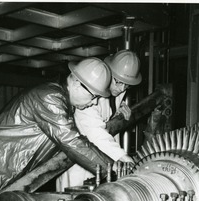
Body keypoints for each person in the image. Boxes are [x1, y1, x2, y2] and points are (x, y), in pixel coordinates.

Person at [0, 57, 113, 201]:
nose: (95, 103)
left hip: (10, 156)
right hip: (1, 157)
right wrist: (111, 169)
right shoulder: (50, 98)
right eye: (94, 96)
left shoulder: (60, 97)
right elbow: (72, 141)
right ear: (77, 84)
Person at [56, 50, 142, 192]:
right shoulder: (88, 95)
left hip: (103, 159)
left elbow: (107, 109)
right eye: (118, 82)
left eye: (127, 85)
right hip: (78, 162)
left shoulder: (119, 88)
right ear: (108, 73)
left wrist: (118, 108)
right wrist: (123, 158)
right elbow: (95, 133)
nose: (121, 89)